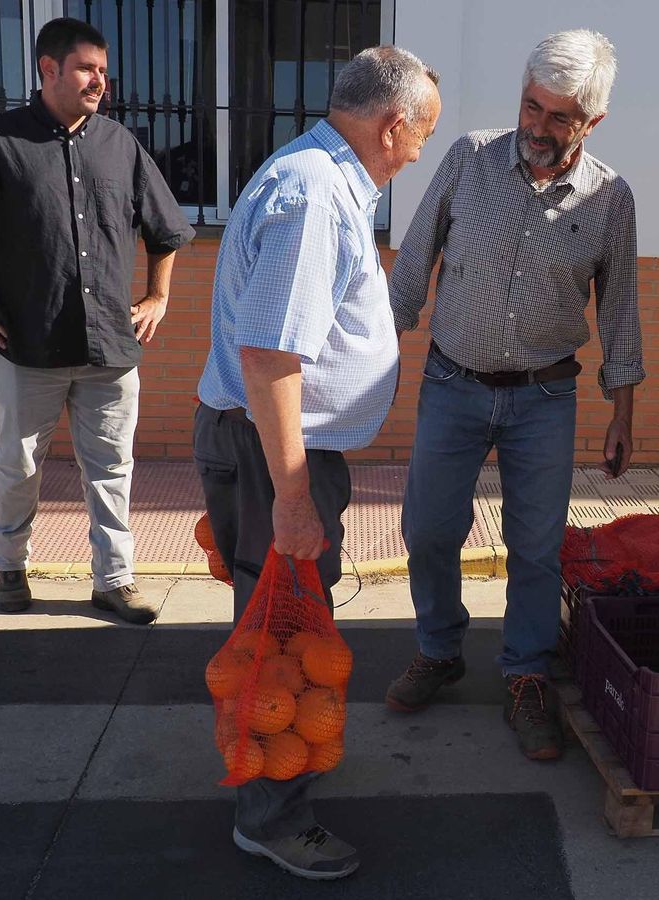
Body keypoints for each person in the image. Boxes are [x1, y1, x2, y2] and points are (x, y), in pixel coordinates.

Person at [194, 46, 440, 880]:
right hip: (277, 459)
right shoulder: (314, 196)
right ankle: (272, 816)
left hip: (273, 452)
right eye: (419, 138)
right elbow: (268, 357)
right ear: (392, 123)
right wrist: (293, 496)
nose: (416, 155)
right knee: (281, 643)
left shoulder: (321, 179)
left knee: (279, 628)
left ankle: (278, 780)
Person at [385, 29, 642, 760]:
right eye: (532, 106)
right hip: (452, 382)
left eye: (560, 117)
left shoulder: (610, 197)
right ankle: (439, 648)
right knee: (429, 529)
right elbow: (413, 265)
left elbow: (620, 307)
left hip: (544, 398)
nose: (538, 126)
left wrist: (623, 409)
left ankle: (526, 673)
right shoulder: (467, 157)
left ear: (592, 123)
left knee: (536, 547)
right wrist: (363, 360)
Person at [0, 17, 194, 623]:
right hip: (24, 344)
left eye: (103, 70)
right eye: (88, 68)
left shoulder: (121, 145)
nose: (101, 81)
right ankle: (10, 567)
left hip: (110, 348)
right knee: (17, 462)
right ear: (49, 70)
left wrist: (159, 296)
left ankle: (114, 580)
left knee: (112, 469)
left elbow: (165, 229)